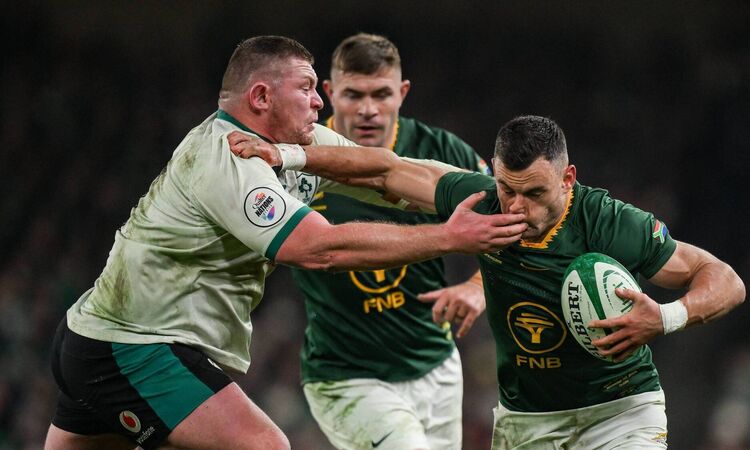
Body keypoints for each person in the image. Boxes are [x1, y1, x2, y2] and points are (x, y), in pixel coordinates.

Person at [43, 36, 529, 450]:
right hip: (132, 346)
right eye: (307, 88)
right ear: (261, 96)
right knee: (266, 446)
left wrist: (503, 193)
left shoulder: (299, 147)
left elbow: (388, 173)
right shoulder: (227, 157)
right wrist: (449, 237)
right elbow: (321, 249)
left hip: (100, 339)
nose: (319, 102)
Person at [231, 115, 746, 449]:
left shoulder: (611, 223)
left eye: (535, 193)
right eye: (507, 189)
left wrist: (666, 317)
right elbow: (386, 171)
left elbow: (724, 279)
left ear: (568, 179)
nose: (517, 207)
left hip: (619, 412)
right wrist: (288, 155)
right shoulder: (482, 202)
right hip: (527, 423)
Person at [289, 33, 490, 450]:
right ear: (329, 93)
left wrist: (477, 287)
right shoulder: (299, 156)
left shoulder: (441, 151)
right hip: (347, 377)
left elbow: (515, 222)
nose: (368, 109)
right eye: (353, 95)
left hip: (437, 367)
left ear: (402, 93)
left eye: (381, 94)